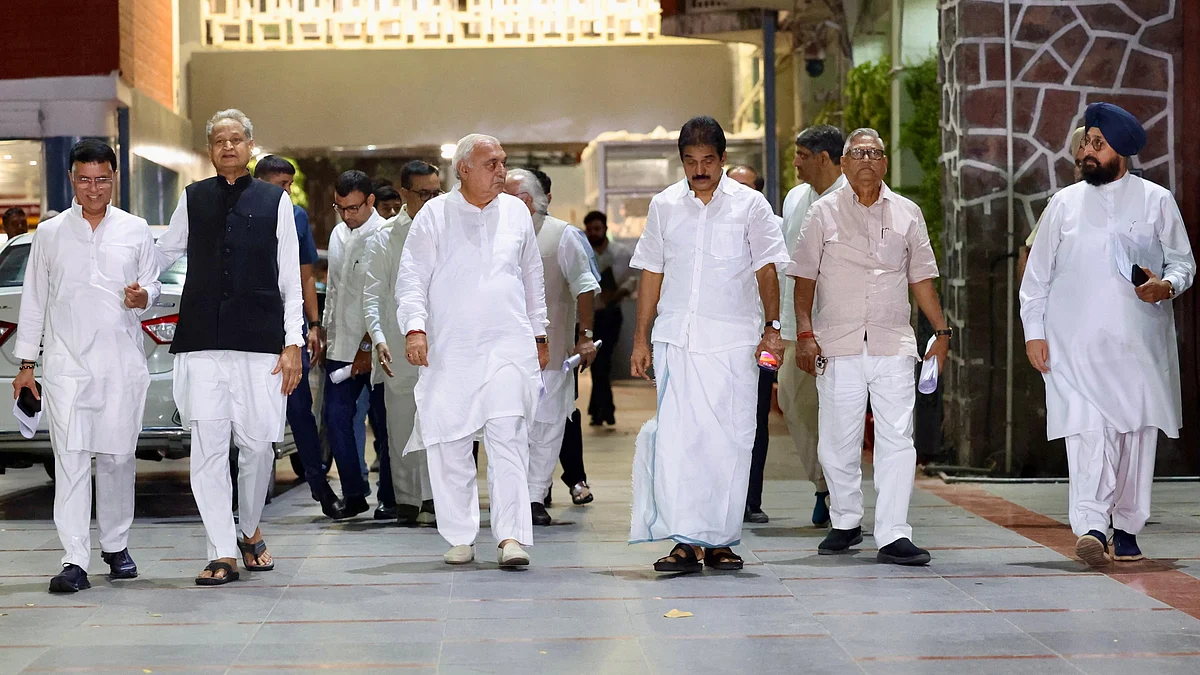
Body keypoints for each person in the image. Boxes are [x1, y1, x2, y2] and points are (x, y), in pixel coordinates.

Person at [1020, 102, 1195, 567]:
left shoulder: (1157, 200)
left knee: (1136, 435)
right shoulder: (1063, 204)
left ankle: (1128, 525)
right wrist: (1034, 332)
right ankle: (1093, 526)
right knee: (1087, 433)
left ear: (1122, 150)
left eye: (1097, 144)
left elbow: (1183, 263)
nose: (1087, 152)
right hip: (1074, 347)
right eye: (1085, 143)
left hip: (1138, 347)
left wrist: (1165, 286)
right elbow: (1035, 279)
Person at [629, 116, 789, 573]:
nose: (699, 170)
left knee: (731, 441)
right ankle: (685, 542)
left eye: (708, 160)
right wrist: (640, 338)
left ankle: (720, 541)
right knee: (679, 442)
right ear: (681, 161)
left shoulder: (751, 205)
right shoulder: (664, 205)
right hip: (676, 340)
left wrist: (773, 328)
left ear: (723, 159)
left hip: (734, 343)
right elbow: (652, 272)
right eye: (690, 161)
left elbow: (766, 269)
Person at [788, 127, 950, 566]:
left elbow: (921, 279)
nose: (866, 160)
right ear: (843, 163)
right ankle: (845, 520)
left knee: (897, 439)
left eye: (874, 153)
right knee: (836, 442)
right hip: (836, 343)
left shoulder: (908, 213)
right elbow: (804, 281)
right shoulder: (821, 213)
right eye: (857, 153)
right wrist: (804, 334)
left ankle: (894, 533)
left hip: (892, 342)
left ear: (885, 163)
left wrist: (942, 333)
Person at [155, 109, 304, 585]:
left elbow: (290, 277)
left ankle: (248, 527)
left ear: (250, 145)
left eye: (236, 139)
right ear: (210, 149)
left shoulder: (275, 200)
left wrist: (294, 342)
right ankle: (221, 550)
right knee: (209, 448)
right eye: (219, 141)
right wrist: (138, 282)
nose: (228, 147)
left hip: (260, 340)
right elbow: (164, 250)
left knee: (259, 446)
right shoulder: (193, 197)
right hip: (202, 340)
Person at [397, 133, 548, 568]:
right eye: (491, 163)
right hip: (452, 349)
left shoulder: (516, 212)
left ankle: (511, 537)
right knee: (450, 441)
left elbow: (532, 276)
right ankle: (460, 535)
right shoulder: (434, 214)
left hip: (508, 345)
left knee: (508, 436)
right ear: (463, 169)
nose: (501, 170)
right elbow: (411, 278)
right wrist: (415, 329)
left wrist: (539, 335)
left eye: (503, 161)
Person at [13, 139, 157, 593]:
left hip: (120, 364)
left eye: (102, 179)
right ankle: (74, 558)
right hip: (66, 367)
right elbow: (34, 299)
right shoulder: (50, 233)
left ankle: (116, 546)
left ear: (115, 178)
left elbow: (152, 286)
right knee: (71, 460)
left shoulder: (136, 230)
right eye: (84, 180)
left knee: (117, 458)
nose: (93, 189)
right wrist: (26, 363)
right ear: (71, 179)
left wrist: (143, 296)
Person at [505, 169, 599, 526]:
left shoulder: (562, 236)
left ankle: (533, 497)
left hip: (551, 352)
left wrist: (585, 336)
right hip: (504, 353)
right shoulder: (497, 235)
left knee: (547, 427)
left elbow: (585, 286)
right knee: (510, 427)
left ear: (527, 201)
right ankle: (516, 496)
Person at [253, 155, 343, 519]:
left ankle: (320, 486)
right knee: (252, 412)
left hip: (291, 326)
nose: (288, 192)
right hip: (252, 327)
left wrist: (314, 324)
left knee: (300, 409)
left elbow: (306, 274)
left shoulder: (297, 216)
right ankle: (248, 494)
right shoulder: (243, 214)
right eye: (281, 185)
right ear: (260, 184)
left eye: (290, 185)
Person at [775, 125, 847, 527]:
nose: (795, 162)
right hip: (795, 326)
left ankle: (840, 496)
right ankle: (822, 484)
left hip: (840, 327)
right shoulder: (795, 198)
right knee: (794, 403)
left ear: (824, 158)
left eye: (802, 155)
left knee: (838, 413)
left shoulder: (853, 197)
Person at [363, 160, 442, 526]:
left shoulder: (450, 230)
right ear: (404, 193)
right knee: (401, 424)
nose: (431, 200)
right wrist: (379, 339)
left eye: (437, 193)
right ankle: (408, 500)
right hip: (399, 345)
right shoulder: (386, 237)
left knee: (441, 423)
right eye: (423, 194)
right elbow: (373, 296)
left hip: (444, 344)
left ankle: (436, 498)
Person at [323, 170, 391, 519]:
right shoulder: (337, 234)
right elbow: (334, 289)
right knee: (336, 420)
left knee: (384, 425)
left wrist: (368, 347)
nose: (347, 215)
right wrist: (324, 331)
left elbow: (384, 297)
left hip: (377, 348)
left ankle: (390, 497)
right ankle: (353, 492)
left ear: (370, 201)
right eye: (340, 207)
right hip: (339, 346)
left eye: (353, 208)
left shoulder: (385, 235)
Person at [722, 163, 785, 526]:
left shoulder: (773, 226)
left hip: (760, 338)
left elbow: (780, 281)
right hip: (720, 339)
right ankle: (720, 497)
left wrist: (775, 331)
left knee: (755, 418)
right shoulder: (710, 222)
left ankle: (750, 499)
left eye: (746, 187)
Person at [585, 210, 635, 428]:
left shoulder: (621, 253)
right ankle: (603, 409)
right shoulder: (582, 252)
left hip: (611, 313)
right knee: (597, 362)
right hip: (588, 315)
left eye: (597, 229)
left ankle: (600, 409)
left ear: (605, 228)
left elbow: (631, 280)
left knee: (602, 360)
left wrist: (616, 294)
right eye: (589, 229)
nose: (593, 233)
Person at [1018, 127, 1086, 282]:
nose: (1083, 170)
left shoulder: (1135, 201)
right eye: (1079, 163)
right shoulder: (1061, 204)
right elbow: (1030, 256)